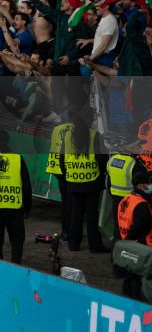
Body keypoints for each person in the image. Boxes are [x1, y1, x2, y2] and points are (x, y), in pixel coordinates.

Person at [62, 107, 109, 253]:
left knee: (76, 213)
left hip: (74, 181)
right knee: (91, 215)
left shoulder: (68, 135)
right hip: (92, 182)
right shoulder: (95, 135)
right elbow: (102, 158)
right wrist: (100, 175)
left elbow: (61, 158)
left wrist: (68, 174)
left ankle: (73, 244)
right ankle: (95, 246)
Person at [0, 133, 32, 264]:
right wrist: (27, 208)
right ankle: (16, 268)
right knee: (17, 242)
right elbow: (26, 186)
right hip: (14, 208)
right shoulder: (18, 159)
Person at [116, 165, 152, 298]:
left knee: (129, 276)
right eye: (149, 183)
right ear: (142, 185)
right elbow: (141, 226)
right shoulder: (142, 205)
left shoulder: (125, 200)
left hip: (127, 243)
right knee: (137, 278)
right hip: (139, 246)